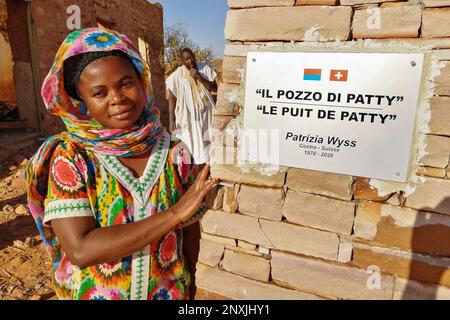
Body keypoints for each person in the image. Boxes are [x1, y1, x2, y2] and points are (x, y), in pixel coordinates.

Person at [25, 28, 218, 300]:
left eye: (126, 83)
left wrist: (193, 288)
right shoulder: (72, 156)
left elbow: (190, 234)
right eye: (99, 93)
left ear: (142, 82)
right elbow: (81, 249)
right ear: (83, 102)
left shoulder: (174, 151)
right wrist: (174, 214)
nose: (117, 98)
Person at [166, 48, 218, 165]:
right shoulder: (177, 75)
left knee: (209, 138)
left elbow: (214, 88)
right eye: (187, 59)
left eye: (191, 57)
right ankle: (194, 169)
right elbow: (171, 98)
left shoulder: (204, 68)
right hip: (187, 116)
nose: (190, 60)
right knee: (191, 141)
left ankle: (209, 167)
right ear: (182, 61)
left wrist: (199, 77)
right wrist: (171, 120)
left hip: (207, 114)